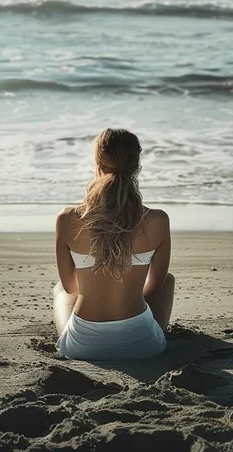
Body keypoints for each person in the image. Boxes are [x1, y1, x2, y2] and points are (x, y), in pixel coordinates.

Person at [53, 128, 174, 360]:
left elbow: (71, 287)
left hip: (82, 348)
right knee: (167, 281)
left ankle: (64, 341)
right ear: (136, 167)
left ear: (97, 163)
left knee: (60, 288)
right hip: (145, 345)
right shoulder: (158, 220)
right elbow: (154, 288)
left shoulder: (68, 219)